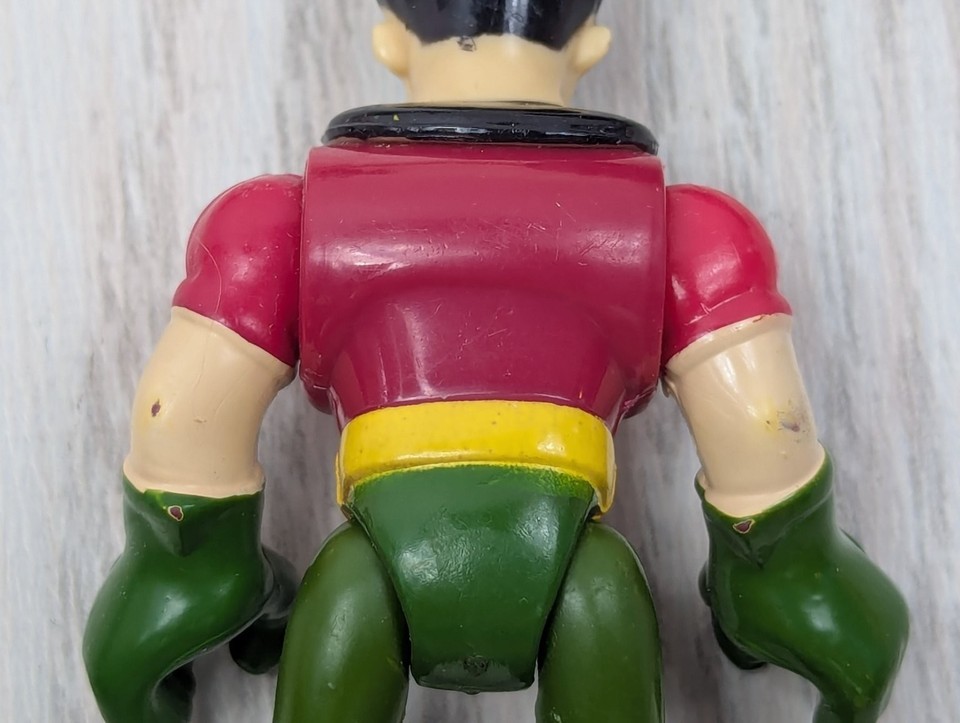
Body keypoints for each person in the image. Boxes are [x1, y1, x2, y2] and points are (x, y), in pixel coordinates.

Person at [83, 1, 908, 721]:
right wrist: (785, 576)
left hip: (364, 570)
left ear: (390, 40)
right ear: (589, 43)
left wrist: (198, 572)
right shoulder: (686, 232)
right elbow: (762, 423)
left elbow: (178, 418)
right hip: (581, 573)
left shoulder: (281, 223)